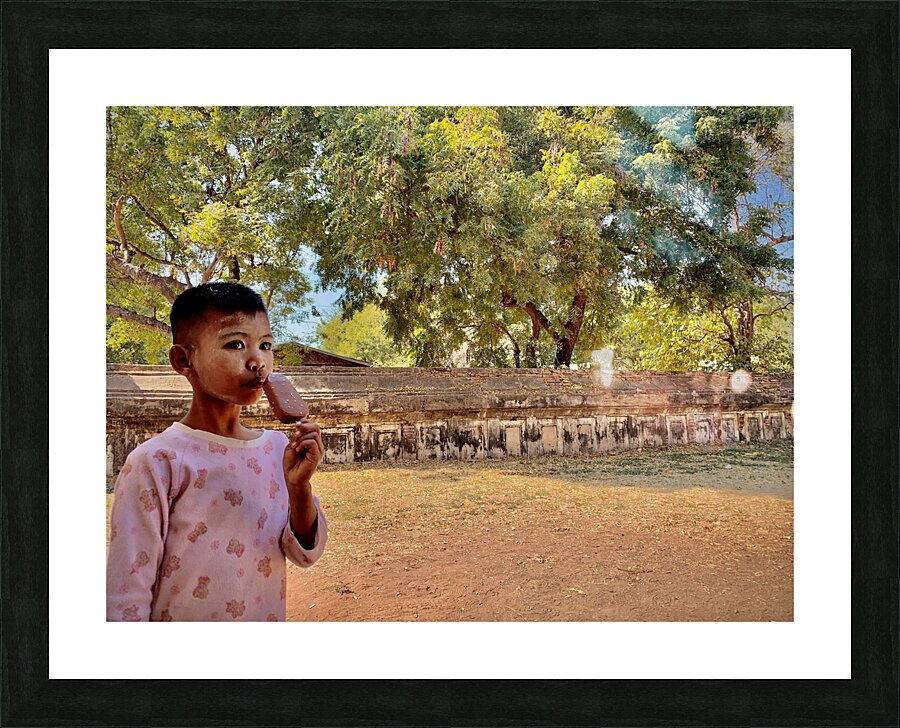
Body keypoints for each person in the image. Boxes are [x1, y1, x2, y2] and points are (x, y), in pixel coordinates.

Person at [106, 282, 327, 621]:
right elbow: (127, 595)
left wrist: (299, 488)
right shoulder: (157, 462)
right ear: (184, 360)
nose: (257, 361)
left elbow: (303, 554)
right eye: (236, 344)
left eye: (265, 345)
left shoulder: (277, 450)